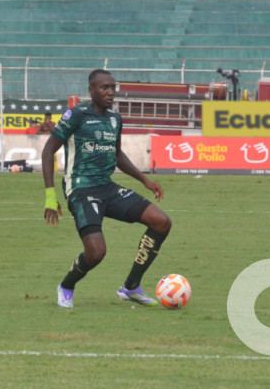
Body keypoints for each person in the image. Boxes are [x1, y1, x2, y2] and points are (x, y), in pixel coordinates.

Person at [41, 69, 172, 308]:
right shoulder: (76, 115)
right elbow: (48, 151)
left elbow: (117, 154)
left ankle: (131, 287)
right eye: (105, 88)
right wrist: (50, 196)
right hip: (81, 189)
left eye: (113, 87)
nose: (111, 92)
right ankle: (66, 286)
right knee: (96, 252)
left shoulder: (114, 119)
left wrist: (144, 180)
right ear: (91, 90)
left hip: (107, 188)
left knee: (161, 222)